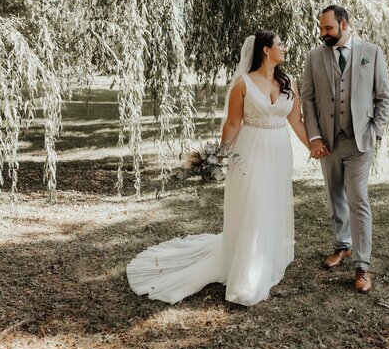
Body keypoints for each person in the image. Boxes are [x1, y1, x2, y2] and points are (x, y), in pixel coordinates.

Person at [126, 30, 310, 306]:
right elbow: (233, 124)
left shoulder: (288, 82)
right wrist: (219, 155)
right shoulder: (243, 83)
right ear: (265, 51)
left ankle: (267, 256)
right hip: (249, 152)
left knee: (272, 202)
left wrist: (313, 147)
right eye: (280, 44)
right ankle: (247, 274)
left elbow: (297, 121)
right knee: (252, 205)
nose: (284, 48)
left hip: (279, 152)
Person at [300, 5, 389, 294]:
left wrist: (375, 132)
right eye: (321, 28)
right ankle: (343, 246)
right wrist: (314, 138)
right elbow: (308, 100)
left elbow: (384, 97)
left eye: (327, 28)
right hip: (327, 142)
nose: (322, 33)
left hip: (359, 142)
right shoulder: (315, 56)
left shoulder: (371, 52)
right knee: (334, 196)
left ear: (343, 24)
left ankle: (363, 265)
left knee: (358, 199)